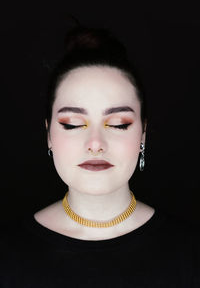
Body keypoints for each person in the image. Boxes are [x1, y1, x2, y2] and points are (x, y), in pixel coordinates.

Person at [1, 25, 199, 287]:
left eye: (118, 124)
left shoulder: (189, 254)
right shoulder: (8, 256)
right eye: (72, 124)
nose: (95, 144)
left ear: (143, 134)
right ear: (49, 134)